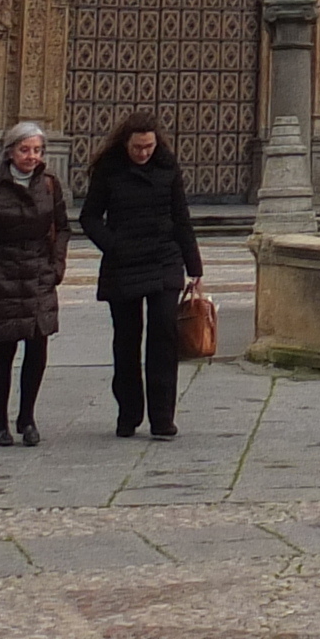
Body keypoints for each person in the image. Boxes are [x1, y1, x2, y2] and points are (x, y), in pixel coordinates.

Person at [79, 110, 203, 438]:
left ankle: (162, 417)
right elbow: (89, 217)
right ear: (125, 144)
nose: (144, 153)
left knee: (164, 334)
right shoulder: (109, 170)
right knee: (127, 339)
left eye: (148, 147)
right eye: (137, 148)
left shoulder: (167, 167)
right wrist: (113, 244)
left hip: (164, 258)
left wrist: (195, 267)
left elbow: (181, 216)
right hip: (124, 262)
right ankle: (129, 413)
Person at [0, 122, 68, 447]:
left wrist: (56, 266)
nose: (31, 156)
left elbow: (61, 227)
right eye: (25, 150)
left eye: (37, 150)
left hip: (38, 276)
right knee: (4, 348)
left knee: (38, 346)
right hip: (0, 276)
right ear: (10, 151)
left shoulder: (49, 185)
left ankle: (28, 417)